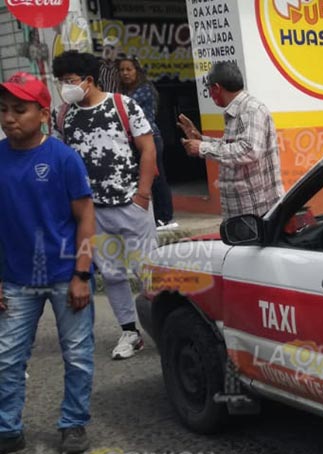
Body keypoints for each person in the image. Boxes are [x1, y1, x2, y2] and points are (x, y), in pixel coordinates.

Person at [0, 72, 97, 454]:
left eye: (19, 110)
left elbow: (85, 218)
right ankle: (7, 428)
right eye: (3, 110)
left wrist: (82, 274)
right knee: (6, 358)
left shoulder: (63, 159)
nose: (9, 118)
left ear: (42, 114)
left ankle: (73, 423)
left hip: (65, 275)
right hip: (15, 279)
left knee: (78, 356)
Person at [52, 50, 158, 361]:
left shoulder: (123, 105)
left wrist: (142, 196)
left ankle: (164, 326)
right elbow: (60, 158)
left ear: (88, 80)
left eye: (69, 80)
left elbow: (148, 148)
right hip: (91, 212)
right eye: (61, 81)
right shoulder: (63, 115)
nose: (65, 87)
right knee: (111, 273)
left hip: (131, 205)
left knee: (147, 271)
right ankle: (130, 332)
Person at [179, 61, 284, 218]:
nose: (210, 94)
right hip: (243, 209)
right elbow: (232, 145)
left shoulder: (250, 110)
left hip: (255, 210)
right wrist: (201, 140)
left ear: (216, 88)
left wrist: (202, 148)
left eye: (209, 88)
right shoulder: (239, 110)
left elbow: (248, 150)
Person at [117, 55, 177, 230]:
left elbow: (125, 110)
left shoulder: (144, 90)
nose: (125, 73)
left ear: (137, 71)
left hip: (150, 138)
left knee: (156, 177)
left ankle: (165, 217)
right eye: (122, 70)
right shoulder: (123, 93)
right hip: (132, 140)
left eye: (129, 69)